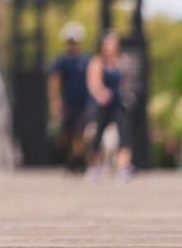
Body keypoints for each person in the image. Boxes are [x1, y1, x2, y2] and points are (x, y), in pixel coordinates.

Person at [85, 28, 134, 180]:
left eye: (114, 42)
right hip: (103, 104)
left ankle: (123, 166)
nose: (111, 46)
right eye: (108, 42)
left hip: (118, 103)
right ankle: (94, 167)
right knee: (98, 135)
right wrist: (100, 93)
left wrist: (127, 95)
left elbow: (125, 82)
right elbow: (93, 82)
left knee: (124, 133)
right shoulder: (97, 62)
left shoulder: (123, 60)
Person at [48, 21, 92, 173]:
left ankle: (78, 159)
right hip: (68, 103)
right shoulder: (62, 60)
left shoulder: (86, 60)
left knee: (81, 132)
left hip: (84, 102)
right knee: (68, 133)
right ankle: (73, 158)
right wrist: (55, 100)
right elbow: (55, 81)